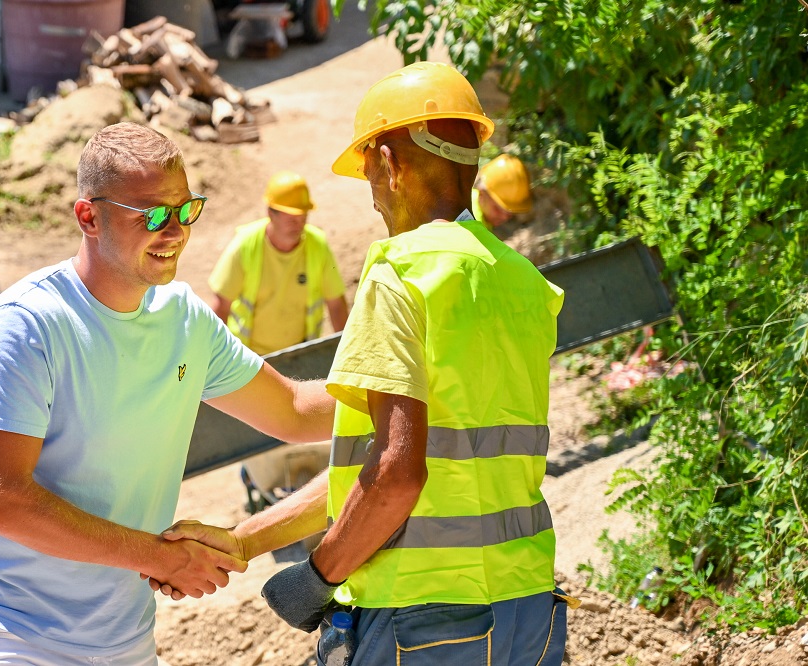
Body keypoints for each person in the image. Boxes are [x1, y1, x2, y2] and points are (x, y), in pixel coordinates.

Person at [160, 62, 576, 665]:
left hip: (424, 622)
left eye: (367, 175)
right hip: (529, 615)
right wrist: (243, 542)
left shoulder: (401, 272)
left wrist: (320, 575)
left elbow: (394, 475)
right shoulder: (521, 283)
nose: (374, 195)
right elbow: (381, 469)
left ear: (387, 160)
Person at [0, 122, 335, 664]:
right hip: (11, 640)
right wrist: (160, 557)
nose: (174, 231)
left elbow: (292, 410)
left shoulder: (185, 319)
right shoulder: (26, 326)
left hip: (125, 643)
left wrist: (407, 395)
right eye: (152, 215)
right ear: (88, 216)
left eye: (184, 211)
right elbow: (1, 501)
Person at [208, 170, 348, 355]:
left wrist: (345, 354)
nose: (298, 225)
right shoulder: (245, 245)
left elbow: (336, 304)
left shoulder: (318, 245)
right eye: (290, 218)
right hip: (248, 358)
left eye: (303, 217)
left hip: (300, 355)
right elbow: (221, 306)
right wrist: (216, 357)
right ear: (270, 213)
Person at [473, 153, 533, 230]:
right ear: (482, 194)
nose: (504, 217)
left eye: (509, 213)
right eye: (497, 209)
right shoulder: (472, 226)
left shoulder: (471, 198)